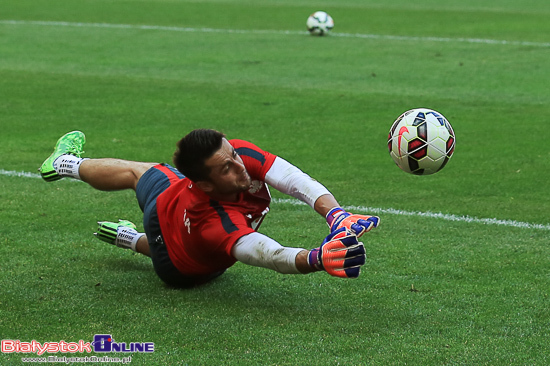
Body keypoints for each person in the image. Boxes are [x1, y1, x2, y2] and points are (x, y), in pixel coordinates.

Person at [39, 129, 380, 288]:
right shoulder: (214, 221)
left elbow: (292, 178)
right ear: (203, 184)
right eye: (226, 168)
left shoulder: (236, 157)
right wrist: (315, 259)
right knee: (160, 235)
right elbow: (266, 254)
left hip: (177, 208)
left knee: (144, 172)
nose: (239, 166)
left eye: (232, 154)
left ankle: (69, 169)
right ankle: (124, 231)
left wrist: (336, 214)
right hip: (180, 269)